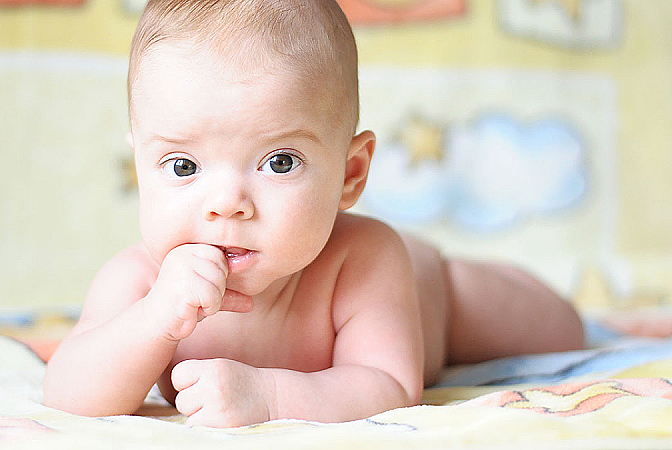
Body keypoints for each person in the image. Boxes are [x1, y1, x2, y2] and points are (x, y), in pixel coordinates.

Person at [43, 0, 585, 427]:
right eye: (183, 166)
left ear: (350, 174)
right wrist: (153, 321)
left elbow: (390, 385)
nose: (226, 203)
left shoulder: (365, 260)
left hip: (434, 292)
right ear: (142, 169)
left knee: (559, 329)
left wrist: (270, 398)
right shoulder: (139, 281)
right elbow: (68, 393)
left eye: (279, 161)